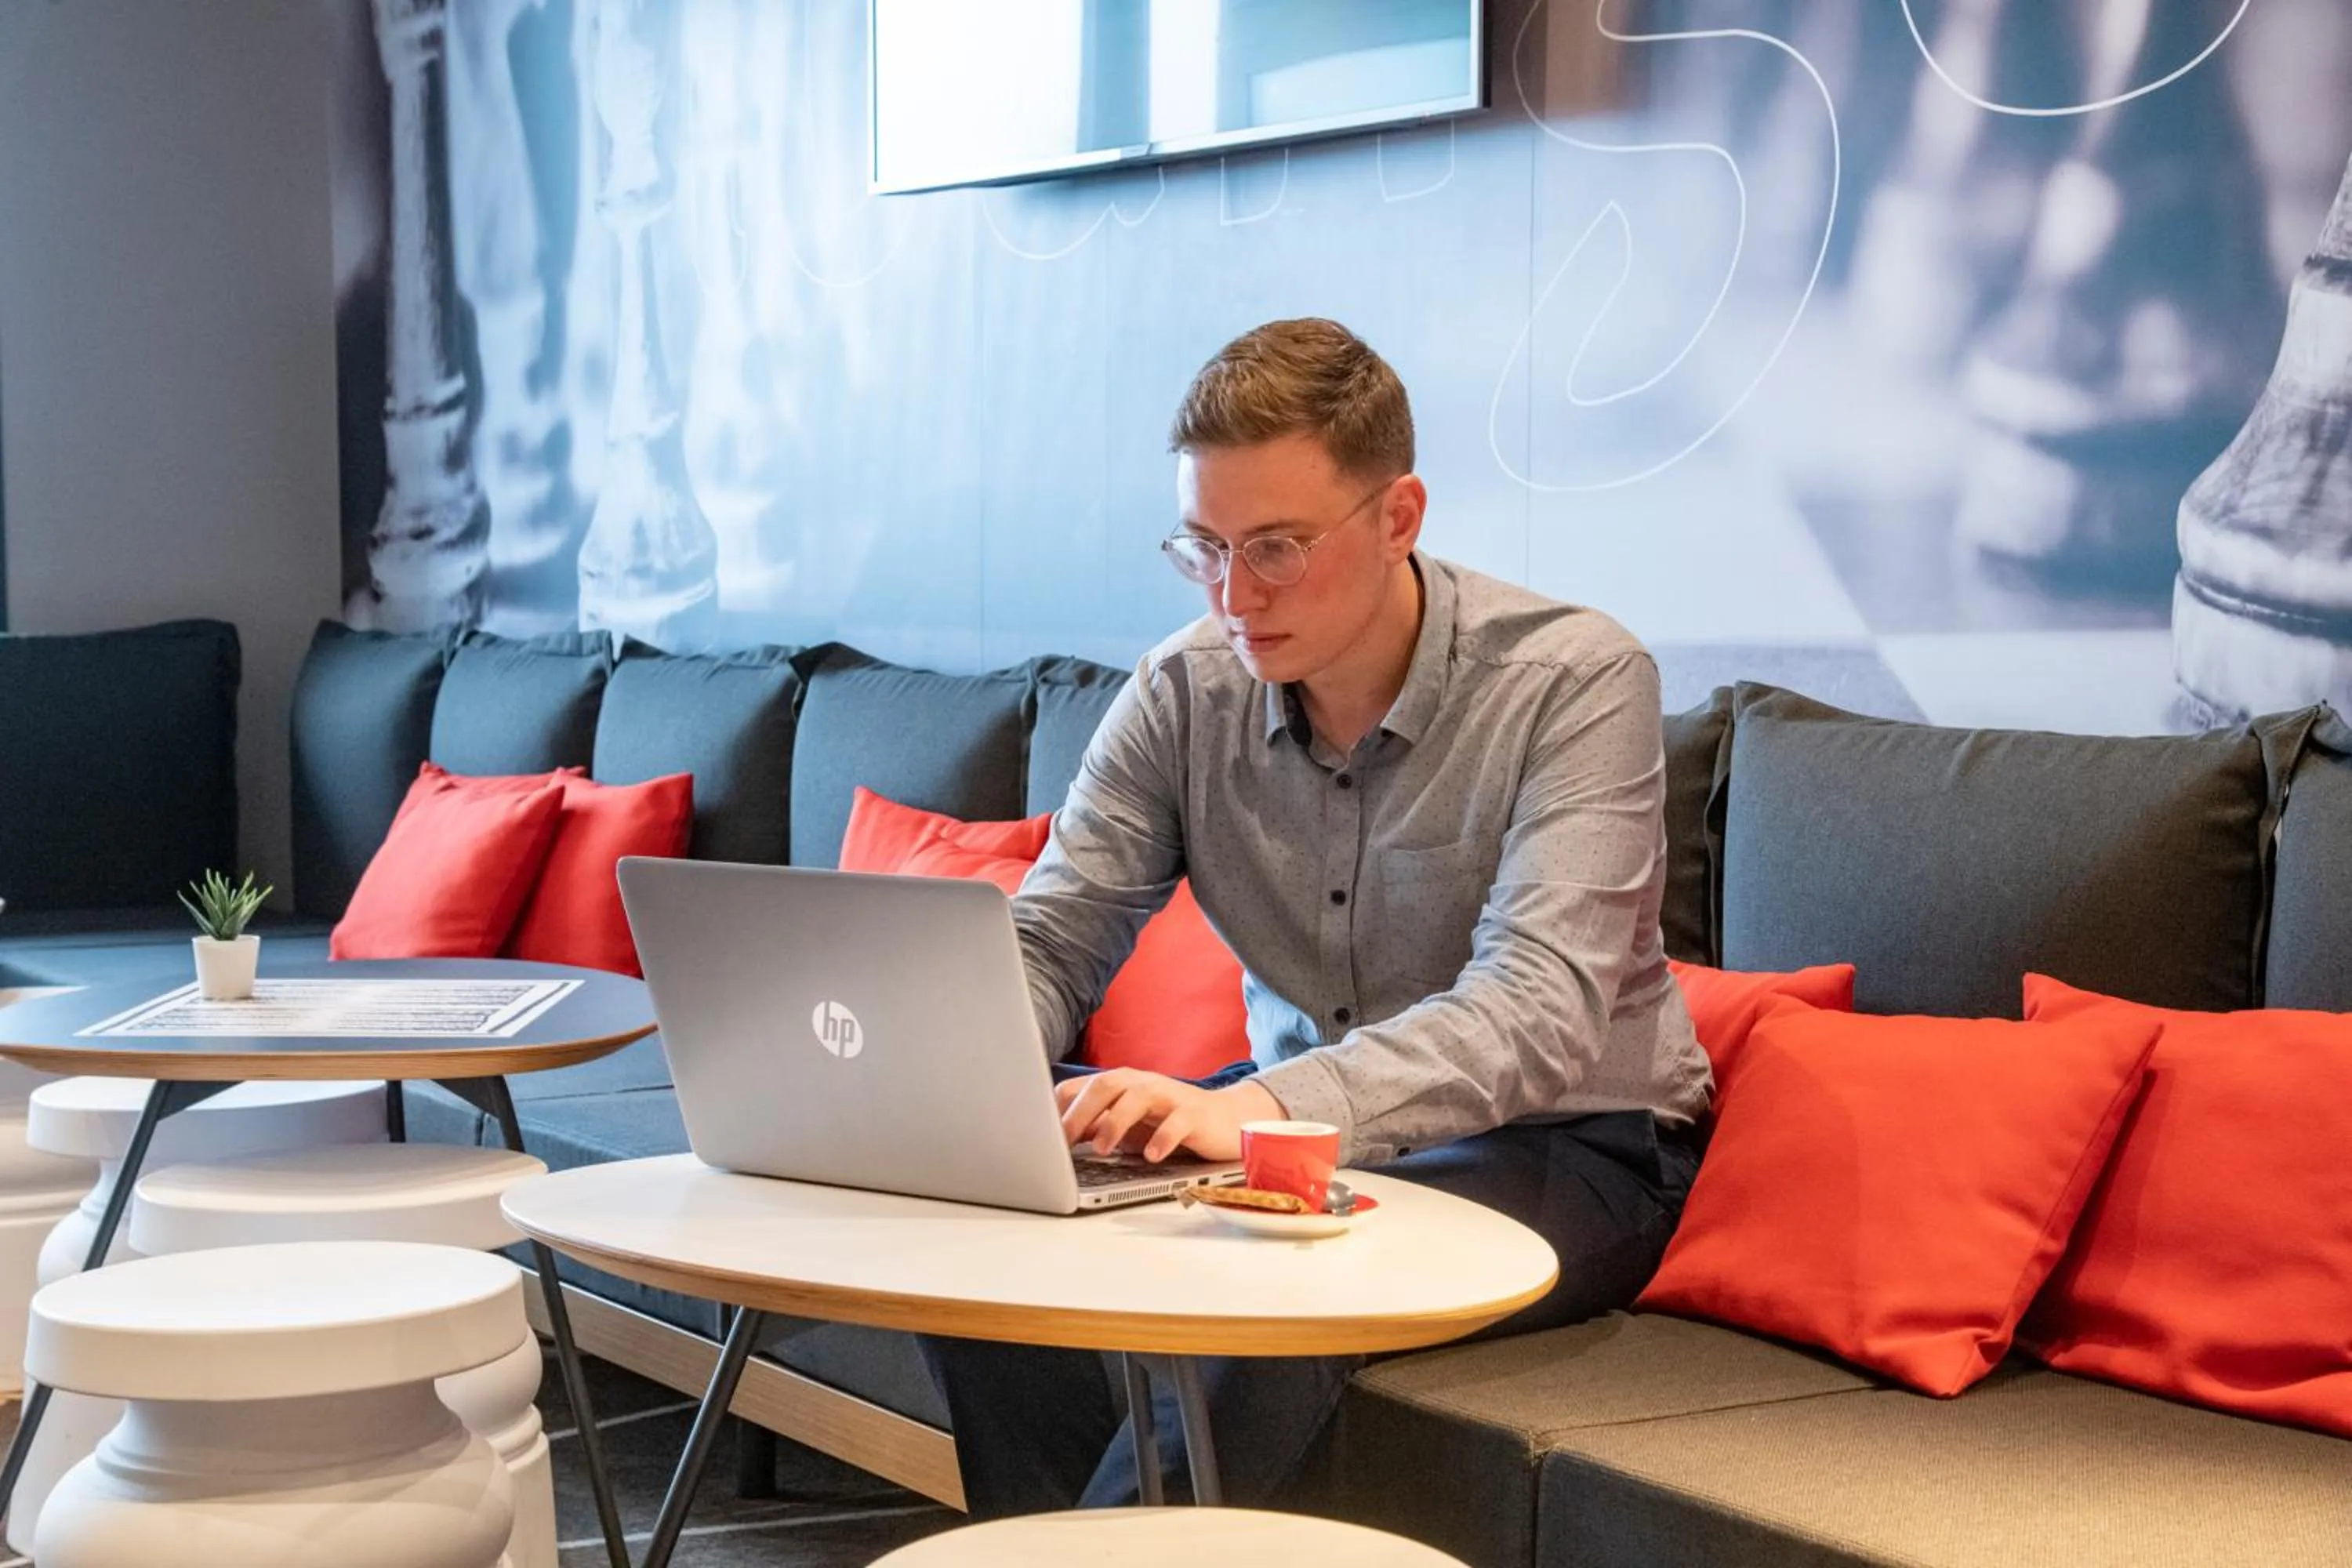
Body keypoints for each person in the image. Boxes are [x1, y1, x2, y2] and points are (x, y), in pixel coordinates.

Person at [921, 318, 1714, 1516]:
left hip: (1577, 1142)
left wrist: (1256, 1116)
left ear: (1400, 516)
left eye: (1277, 548)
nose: (1236, 597)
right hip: (1283, 1123)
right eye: (1205, 548)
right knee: (981, 1243)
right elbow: (1055, 933)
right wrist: (957, 1087)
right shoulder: (1183, 690)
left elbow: (1537, 1013)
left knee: (1275, 1280)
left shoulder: (1576, 682)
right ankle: (1067, 1540)